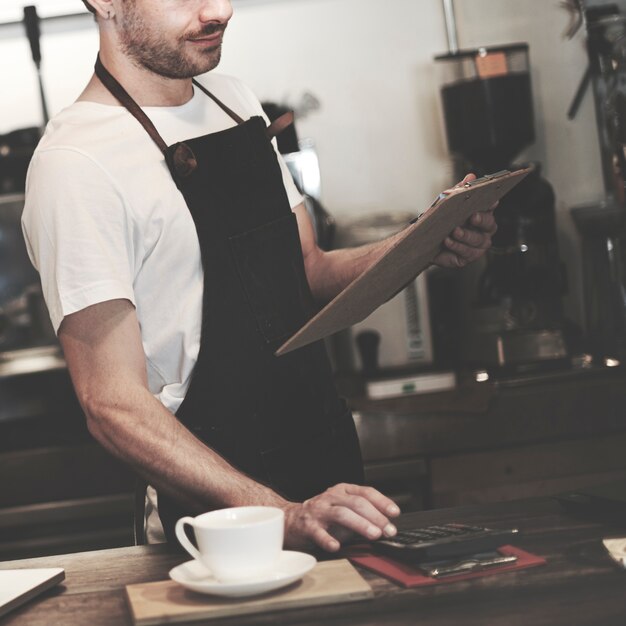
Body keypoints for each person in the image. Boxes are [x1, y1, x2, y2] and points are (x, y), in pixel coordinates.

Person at [22, 0, 497, 552]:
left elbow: (308, 272)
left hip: (328, 475)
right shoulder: (75, 164)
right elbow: (112, 404)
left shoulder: (233, 100)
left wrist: (422, 241)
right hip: (215, 526)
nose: (219, 10)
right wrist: (278, 513)